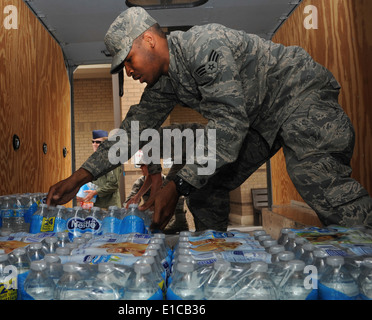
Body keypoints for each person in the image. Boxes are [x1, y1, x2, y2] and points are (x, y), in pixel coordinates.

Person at [47, 7, 372, 231]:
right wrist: (78, 177)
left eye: (129, 61)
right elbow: (132, 132)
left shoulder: (204, 47)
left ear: (149, 39)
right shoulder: (164, 84)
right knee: (203, 187)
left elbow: (229, 126)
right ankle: (210, 258)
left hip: (298, 96)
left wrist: (174, 184)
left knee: (318, 181)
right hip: (258, 121)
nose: (129, 72)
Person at [124, 162, 189, 234]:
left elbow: (157, 180)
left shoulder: (166, 181)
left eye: (143, 165)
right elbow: (153, 177)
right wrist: (136, 199)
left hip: (170, 221)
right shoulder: (140, 181)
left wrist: (148, 206)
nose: (140, 168)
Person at [76, 130, 122, 209]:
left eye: (98, 142)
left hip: (110, 208)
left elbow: (113, 184)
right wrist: (81, 194)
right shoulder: (94, 161)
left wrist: (95, 192)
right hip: (96, 207)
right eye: (93, 142)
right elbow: (91, 183)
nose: (94, 144)